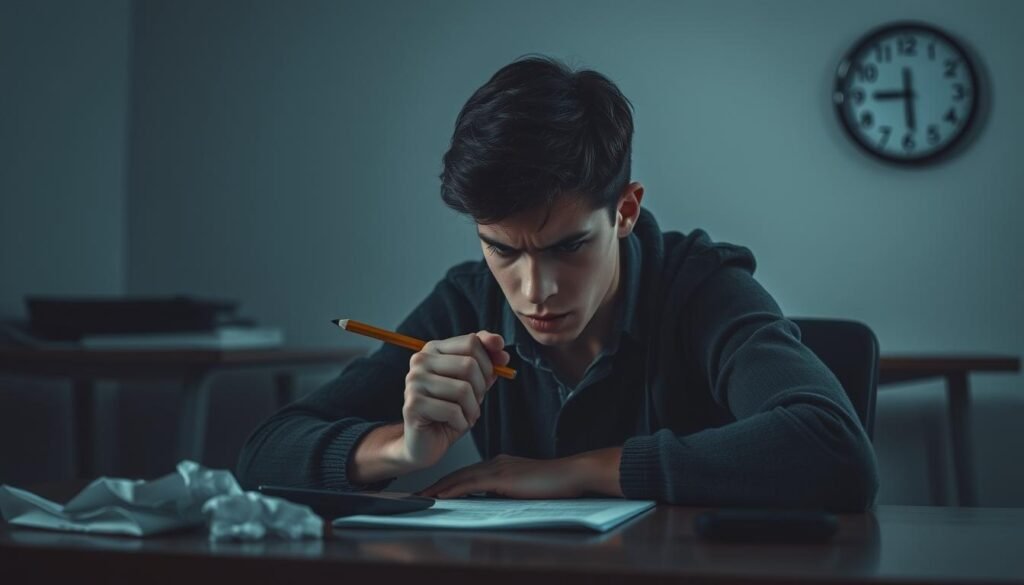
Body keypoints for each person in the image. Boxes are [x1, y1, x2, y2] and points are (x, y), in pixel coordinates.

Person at [237, 55, 879, 511]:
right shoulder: (467, 299)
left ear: (625, 211)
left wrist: (572, 474)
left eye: (569, 246)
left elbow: (833, 448)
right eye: (501, 249)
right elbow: (263, 453)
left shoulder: (701, 286)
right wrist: (401, 451)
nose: (534, 289)